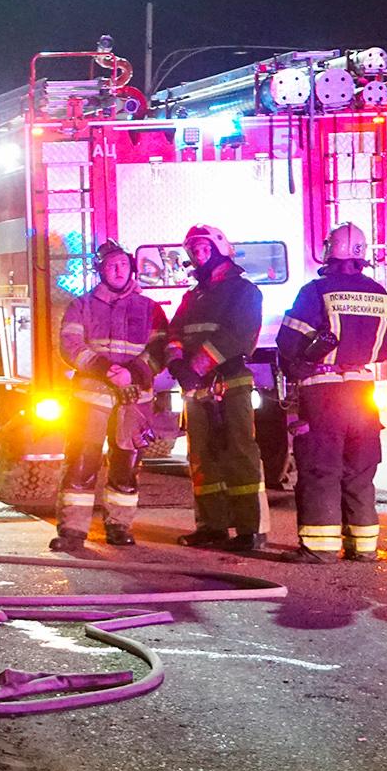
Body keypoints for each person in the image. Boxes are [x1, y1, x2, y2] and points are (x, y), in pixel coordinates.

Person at [275, 223, 387, 562]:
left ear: (330, 253)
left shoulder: (316, 291)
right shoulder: (380, 293)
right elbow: (386, 347)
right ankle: (364, 547)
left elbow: (288, 342)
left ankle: (320, 548)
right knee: (360, 469)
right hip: (363, 392)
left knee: (321, 468)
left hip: (323, 392)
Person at [51, 240, 169, 553]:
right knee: (81, 462)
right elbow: (70, 345)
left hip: (133, 400)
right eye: (111, 266)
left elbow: (160, 350)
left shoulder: (150, 309)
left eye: (122, 264)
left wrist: (133, 373)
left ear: (131, 266)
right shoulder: (82, 305)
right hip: (91, 398)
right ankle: (73, 530)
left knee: (126, 464)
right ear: (100, 271)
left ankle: (119, 526)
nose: (118, 271)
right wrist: (107, 370)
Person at [166, 224, 268, 551]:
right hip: (198, 389)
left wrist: (194, 368)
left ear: (221, 248)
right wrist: (177, 364)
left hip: (230, 383)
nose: (198, 254)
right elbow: (174, 334)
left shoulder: (244, 292)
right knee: (202, 457)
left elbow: (236, 335)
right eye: (194, 250)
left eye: (204, 248)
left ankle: (250, 530)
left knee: (239, 453)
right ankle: (212, 526)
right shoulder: (192, 296)